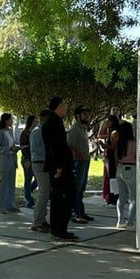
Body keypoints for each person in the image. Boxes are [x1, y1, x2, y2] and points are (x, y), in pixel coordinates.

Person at [42, 97, 78, 242]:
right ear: (59, 106)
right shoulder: (53, 122)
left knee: (60, 198)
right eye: (64, 106)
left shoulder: (53, 121)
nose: (66, 109)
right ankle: (59, 229)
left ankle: (59, 229)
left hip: (61, 166)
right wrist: (58, 167)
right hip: (59, 167)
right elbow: (54, 147)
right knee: (64, 198)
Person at [67, 106, 93, 223]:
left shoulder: (83, 128)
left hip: (85, 160)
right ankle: (76, 214)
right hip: (79, 161)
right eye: (84, 114)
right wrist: (78, 154)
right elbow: (69, 145)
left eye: (88, 114)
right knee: (76, 188)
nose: (87, 116)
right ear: (78, 115)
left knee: (82, 187)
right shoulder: (74, 128)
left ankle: (81, 211)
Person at [29, 109, 52, 232]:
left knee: (46, 192)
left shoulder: (45, 130)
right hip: (39, 163)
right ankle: (36, 221)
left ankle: (42, 220)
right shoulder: (38, 131)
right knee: (43, 193)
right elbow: (36, 149)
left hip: (45, 163)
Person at [0, 113, 19, 212]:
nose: (12, 121)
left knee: (11, 183)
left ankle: (10, 204)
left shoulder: (10, 131)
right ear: (5, 120)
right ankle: (0, 206)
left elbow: (12, 143)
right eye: (10, 120)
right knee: (2, 184)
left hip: (12, 160)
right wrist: (9, 149)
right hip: (3, 161)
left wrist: (15, 148)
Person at [115, 121, 137, 229]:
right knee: (133, 198)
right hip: (131, 168)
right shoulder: (133, 143)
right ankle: (130, 222)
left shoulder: (118, 143)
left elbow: (115, 158)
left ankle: (120, 220)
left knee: (121, 197)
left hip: (120, 168)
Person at [98, 107, 122, 204]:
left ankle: (114, 197)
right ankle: (111, 196)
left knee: (113, 177)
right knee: (110, 177)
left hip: (113, 157)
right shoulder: (110, 131)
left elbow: (113, 147)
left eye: (109, 121)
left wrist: (104, 145)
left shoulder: (114, 132)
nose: (106, 123)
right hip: (109, 157)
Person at [19, 115, 38, 209]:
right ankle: (29, 200)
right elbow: (23, 147)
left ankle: (28, 192)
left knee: (37, 179)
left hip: (34, 159)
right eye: (34, 121)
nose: (36, 122)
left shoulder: (35, 132)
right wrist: (27, 159)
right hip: (27, 159)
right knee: (28, 178)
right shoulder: (25, 133)